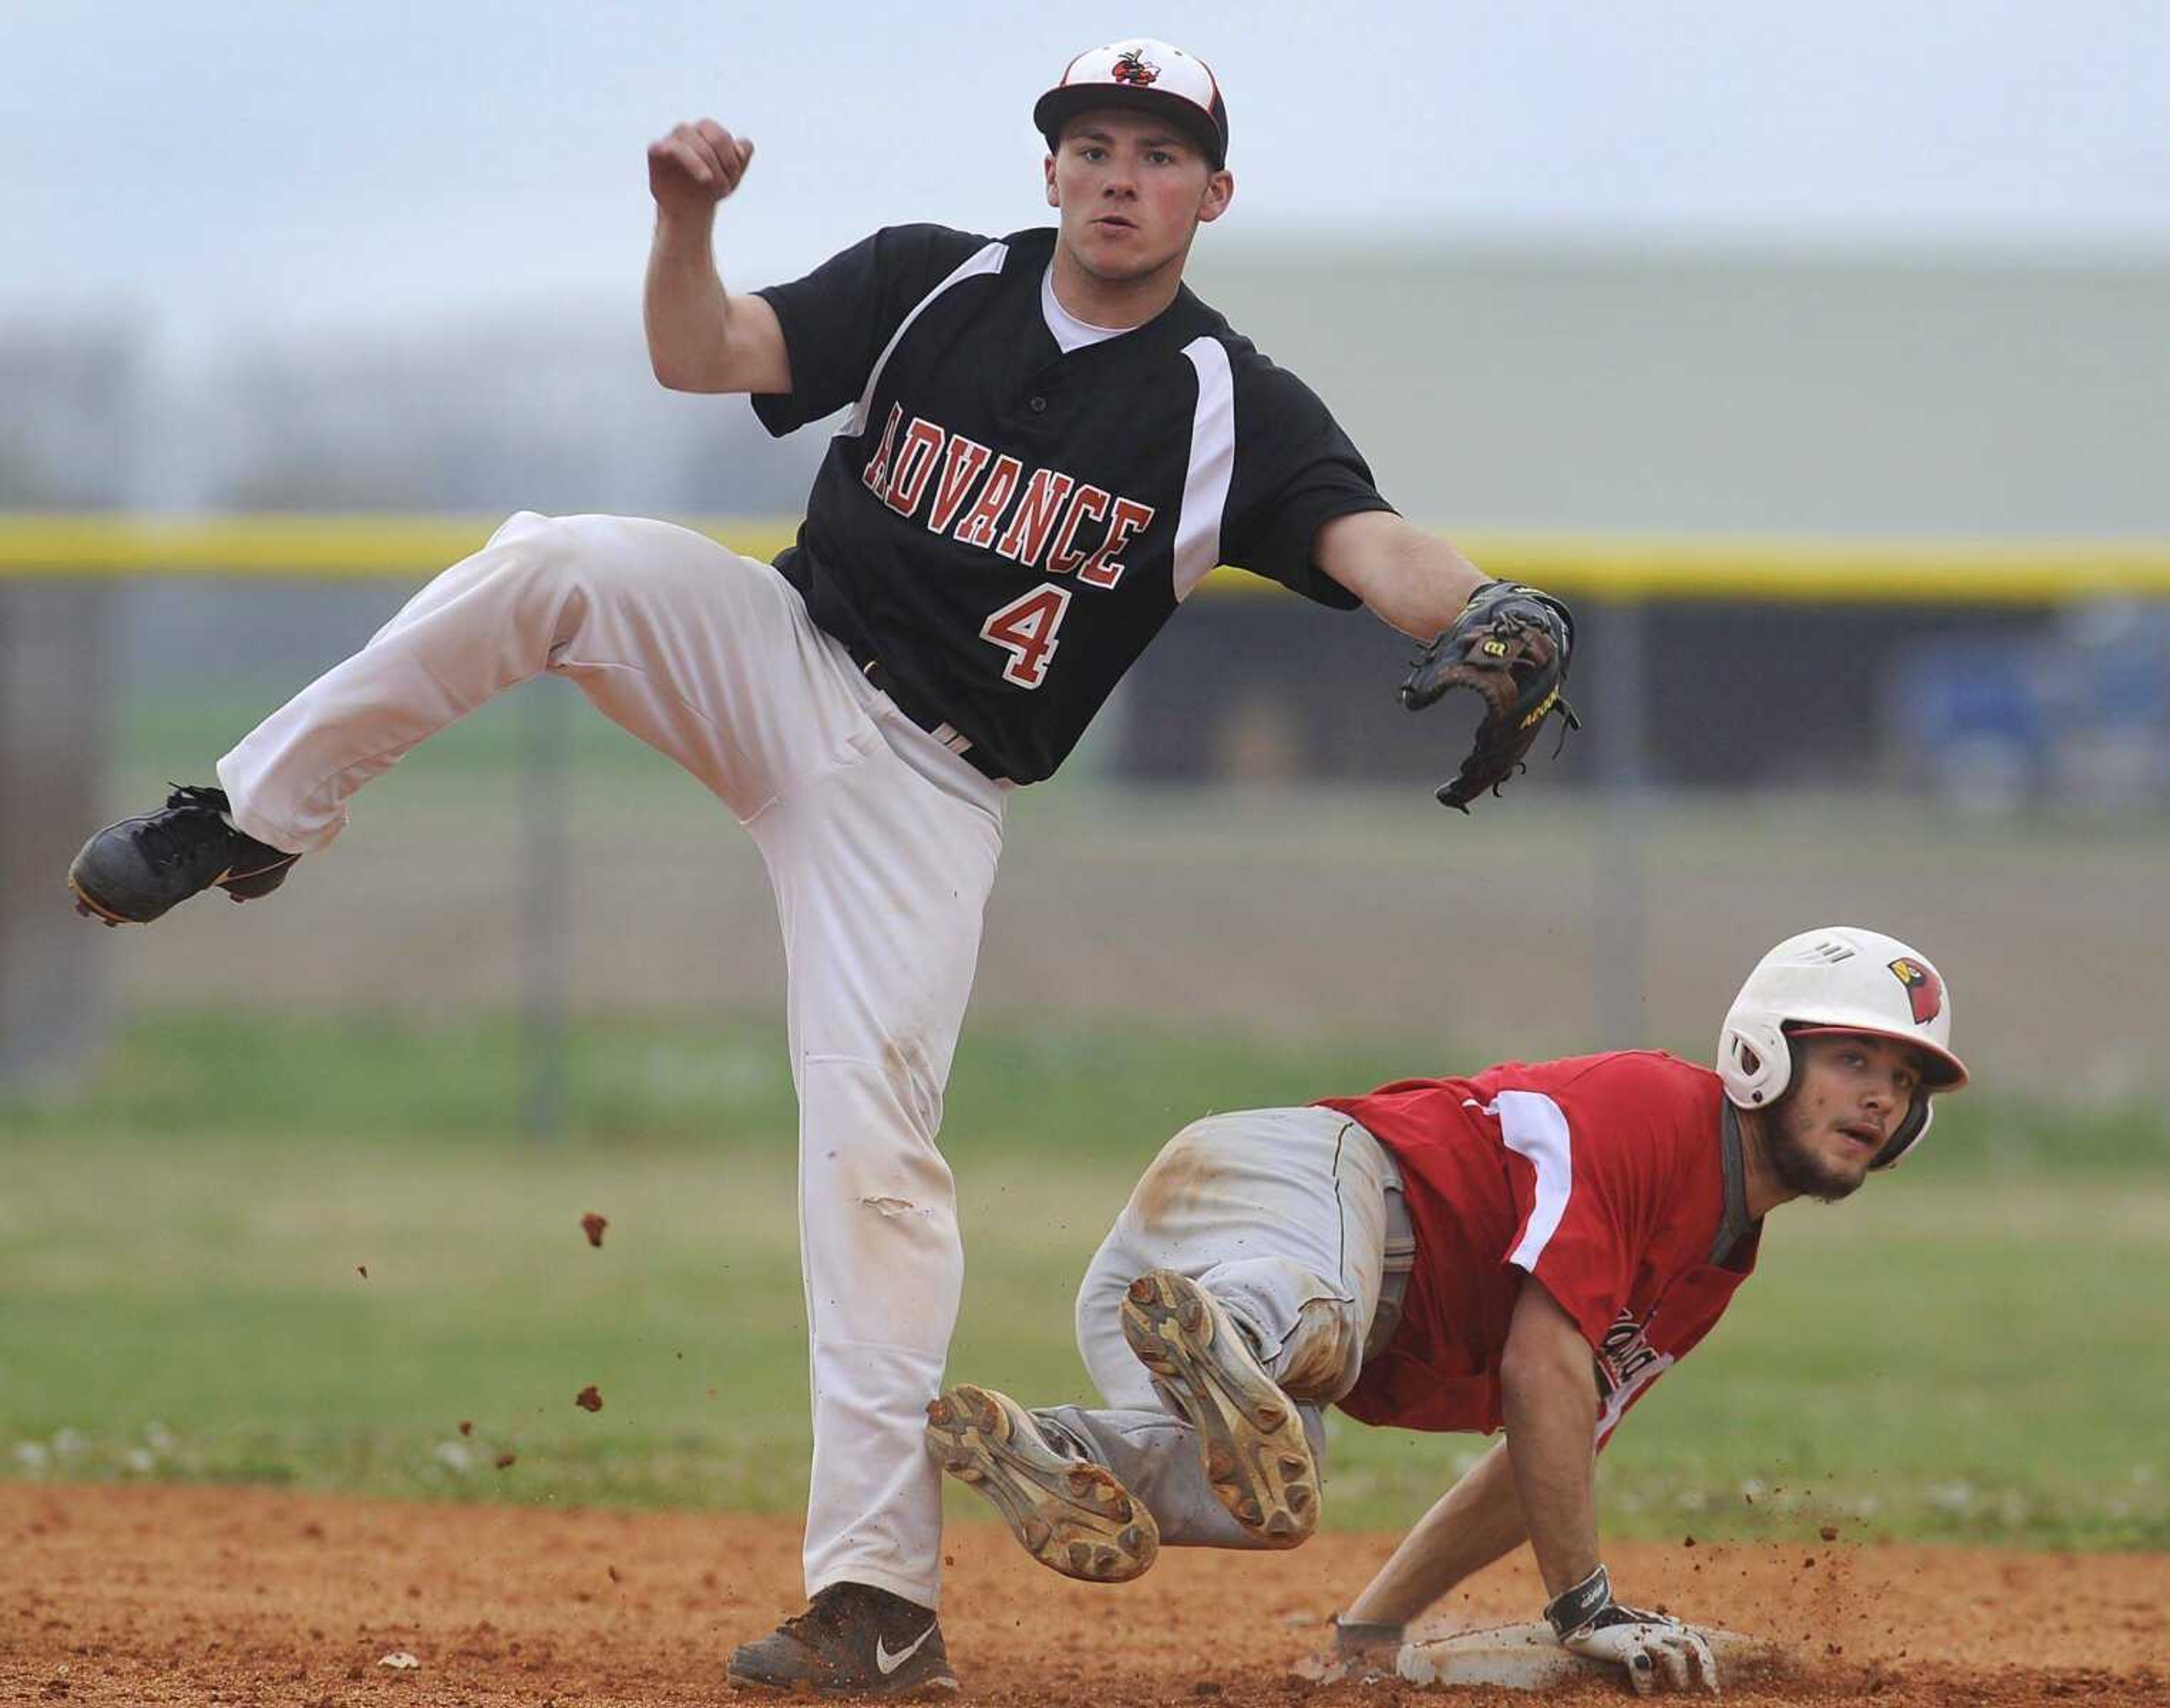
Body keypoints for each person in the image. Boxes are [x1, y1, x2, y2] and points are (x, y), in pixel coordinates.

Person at [63, 37, 1578, 1701]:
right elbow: (698, 351)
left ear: (1212, 195)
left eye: (1157, 150)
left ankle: (874, 1605)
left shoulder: (1229, 403)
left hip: (928, 789)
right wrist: (681, 217)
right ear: (1049, 165)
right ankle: (257, 813)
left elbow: (1371, 541)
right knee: (548, 562)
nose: (1118, 172)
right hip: (778, 646)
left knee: (874, 1163)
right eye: (1091, 140)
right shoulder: (937, 286)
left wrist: (1494, 609)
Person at [926, 926, 1968, 1698]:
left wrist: (1372, 1634)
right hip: (1307, 1193)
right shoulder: (1661, 1117)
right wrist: (1584, 1606)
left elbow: (1541, 1455)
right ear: (1764, 1053)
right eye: (1853, 1058)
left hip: (1194, 1279)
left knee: (1262, 1494)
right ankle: (1229, 1334)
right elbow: (1541, 1364)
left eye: (1902, 1080)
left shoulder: (1718, 1257)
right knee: (1318, 1328)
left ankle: (1052, 1443)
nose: (1879, 1096)